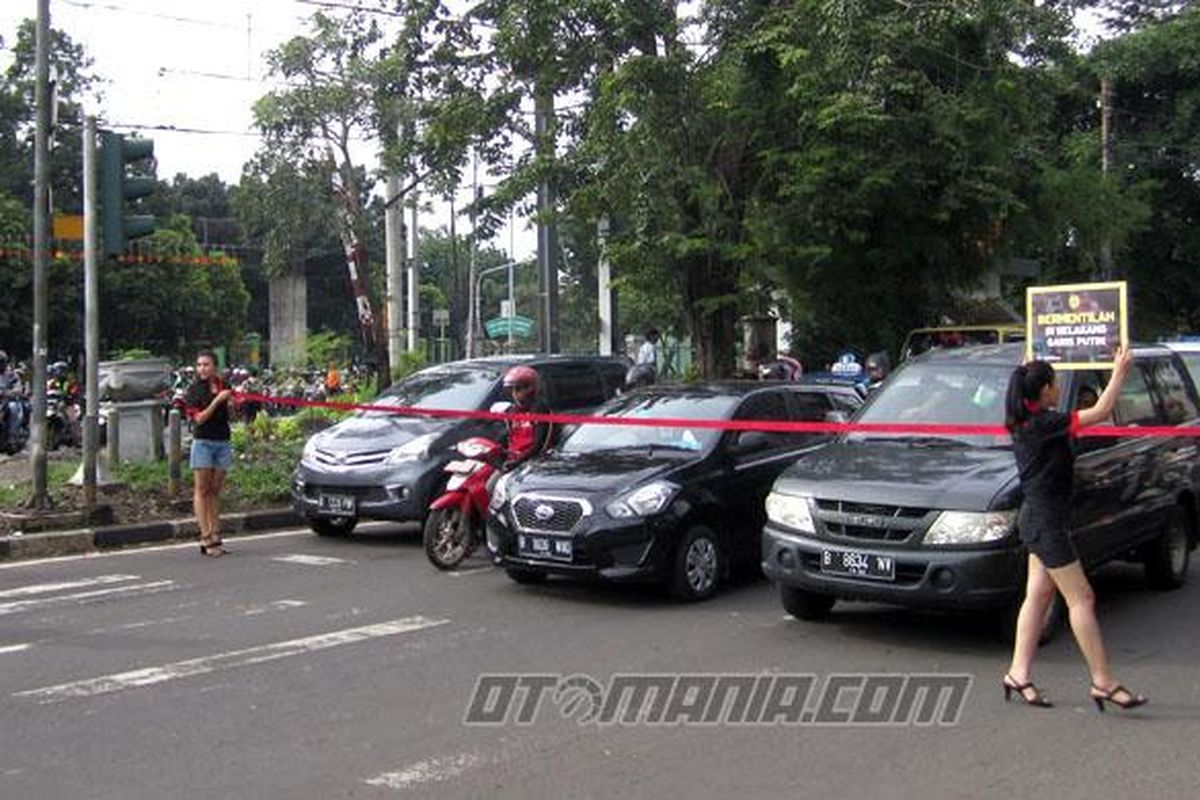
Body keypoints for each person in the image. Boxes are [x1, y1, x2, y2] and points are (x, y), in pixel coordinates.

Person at [1001, 346, 1148, 711]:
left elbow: (1024, 379)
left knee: (1037, 596)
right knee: (1081, 599)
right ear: (1046, 390)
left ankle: (1018, 674)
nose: (1058, 388)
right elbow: (1101, 411)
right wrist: (1119, 371)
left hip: (1037, 519)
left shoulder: (1025, 418)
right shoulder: (1045, 424)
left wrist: (1029, 362)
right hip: (1046, 524)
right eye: (1053, 383)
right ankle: (1104, 682)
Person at [185, 350, 236, 557]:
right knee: (202, 489)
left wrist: (231, 404)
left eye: (206, 364)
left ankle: (216, 533)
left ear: (214, 366)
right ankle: (205, 535)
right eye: (199, 365)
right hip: (203, 441)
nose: (202, 369)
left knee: (215, 489)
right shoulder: (194, 390)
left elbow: (231, 416)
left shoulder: (224, 386)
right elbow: (199, 419)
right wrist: (216, 401)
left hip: (222, 441)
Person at [499, 365, 553, 472]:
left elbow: (539, 445)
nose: (515, 394)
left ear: (531, 389)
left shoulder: (539, 410)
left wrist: (517, 462)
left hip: (529, 463)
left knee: (491, 485)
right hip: (512, 459)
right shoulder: (512, 411)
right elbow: (506, 439)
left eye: (519, 389)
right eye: (513, 389)